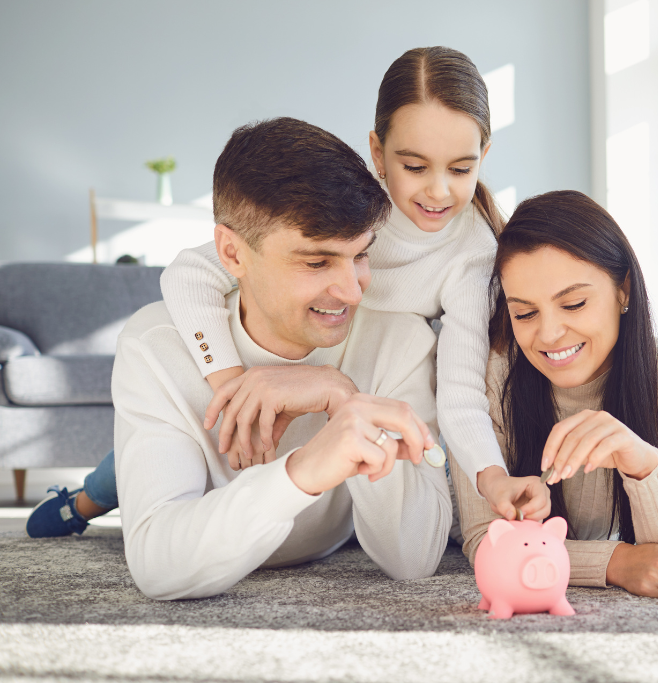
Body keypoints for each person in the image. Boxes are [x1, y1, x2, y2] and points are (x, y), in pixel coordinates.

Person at [28, 46, 549, 538]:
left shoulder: (474, 256)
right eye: (414, 167)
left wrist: (491, 477)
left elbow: (460, 393)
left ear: (484, 153)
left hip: (358, 369)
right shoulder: (348, 207)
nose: (438, 191)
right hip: (275, 356)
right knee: (175, 444)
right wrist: (237, 384)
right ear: (377, 151)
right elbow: (188, 274)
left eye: (461, 169)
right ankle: (85, 503)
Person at [61, 117, 452, 599]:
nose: (352, 291)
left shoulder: (401, 339)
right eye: (316, 262)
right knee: (111, 480)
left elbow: (414, 559)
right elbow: (158, 567)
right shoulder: (156, 345)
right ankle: (72, 506)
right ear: (232, 253)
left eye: (361, 255)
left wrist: (347, 400)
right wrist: (300, 472)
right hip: (151, 452)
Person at [450, 190, 658, 600]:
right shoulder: (492, 377)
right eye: (524, 313)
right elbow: (484, 541)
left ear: (624, 291)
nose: (547, 334)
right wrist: (616, 562)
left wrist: (642, 464)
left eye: (574, 303)